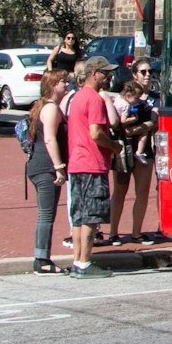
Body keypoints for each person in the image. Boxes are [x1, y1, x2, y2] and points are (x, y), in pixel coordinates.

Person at [65, 55, 121, 278]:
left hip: (77, 163)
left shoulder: (76, 97)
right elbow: (96, 133)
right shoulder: (94, 99)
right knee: (91, 216)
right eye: (104, 72)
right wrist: (114, 146)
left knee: (79, 215)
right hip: (91, 162)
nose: (108, 77)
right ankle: (85, 262)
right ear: (92, 74)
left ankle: (78, 261)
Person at [26, 70, 70, 274]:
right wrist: (59, 167)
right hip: (45, 167)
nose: (66, 84)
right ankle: (42, 260)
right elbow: (50, 139)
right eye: (63, 82)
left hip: (37, 165)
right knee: (46, 214)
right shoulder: (51, 108)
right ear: (53, 85)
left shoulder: (41, 105)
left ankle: (42, 257)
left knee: (45, 214)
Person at [106, 77, 156, 245]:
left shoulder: (152, 98)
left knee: (142, 192)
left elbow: (154, 122)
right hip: (124, 149)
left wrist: (140, 128)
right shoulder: (122, 101)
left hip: (144, 150)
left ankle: (137, 232)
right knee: (120, 190)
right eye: (143, 71)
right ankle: (113, 233)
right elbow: (118, 124)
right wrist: (135, 128)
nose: (147, 75)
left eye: (150, 71)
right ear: (134, 75)